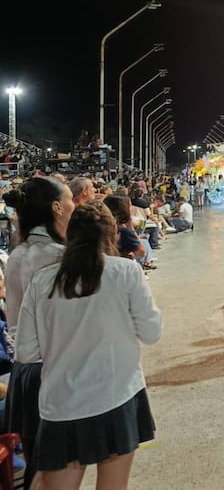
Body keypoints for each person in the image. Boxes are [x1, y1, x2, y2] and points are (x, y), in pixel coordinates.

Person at [17, 201, 161, 488]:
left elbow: (26, 351)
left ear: (69, 236)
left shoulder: (42, 281)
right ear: (112, 235)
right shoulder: (126, 272)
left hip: (61, 406)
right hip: (117, 396)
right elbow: (151, 332)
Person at [1, 177, 73, 489]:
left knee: (38, 467)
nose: (73, 206)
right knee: (56, 471)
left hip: (24, 373)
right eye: (69, 200)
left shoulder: (18, 254)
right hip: (53, 371)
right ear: (57, 207)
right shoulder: (57, 256)